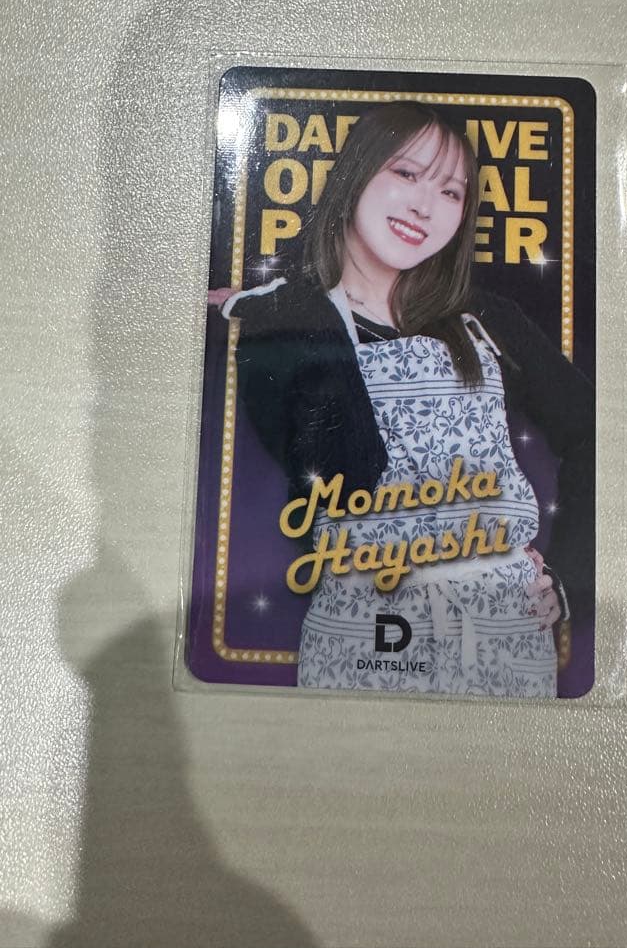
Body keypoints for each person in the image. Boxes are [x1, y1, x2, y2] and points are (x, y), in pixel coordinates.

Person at [212, 101, 594, 697]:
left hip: (503, 643)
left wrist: (570, 580)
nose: (424, 206)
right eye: (407, 173)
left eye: (451, 192)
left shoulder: (488, 320)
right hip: (361, 639)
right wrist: (293, 310)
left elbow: (596, 436)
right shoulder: (285, 325)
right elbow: (347, 470)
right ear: (355, 174)